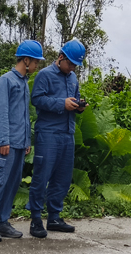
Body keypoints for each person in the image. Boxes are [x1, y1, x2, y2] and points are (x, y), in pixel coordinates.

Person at [0, 40, 45, 242]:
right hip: (5, 144)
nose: (37, 66)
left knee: (12, 183)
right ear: (26, 60)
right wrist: (3, 140)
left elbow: (23, 115)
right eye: (35, 62)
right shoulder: (5, 81)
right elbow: (1, 113)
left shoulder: (24, 83)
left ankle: (2, 221)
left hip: (19, 144)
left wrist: (26, 141)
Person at [27, 39, 87, 238]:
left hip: (67, 133)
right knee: (41, 176)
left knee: (62, 177)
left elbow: (73, 100)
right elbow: (37, 99)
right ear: (61, 57)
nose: (71, 68)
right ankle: (36, 219)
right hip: (48, 133)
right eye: (70, 63)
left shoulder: (72, 78)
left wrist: (78, 106)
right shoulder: (44, 75)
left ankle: (54, 217)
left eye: (75, 65)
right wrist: (61, 104)